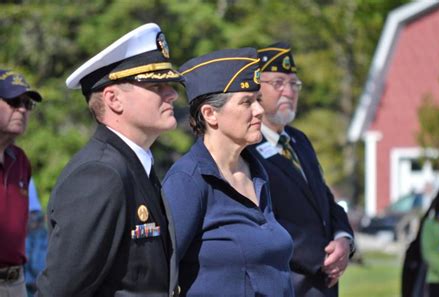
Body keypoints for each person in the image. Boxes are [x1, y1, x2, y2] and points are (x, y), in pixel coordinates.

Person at [36, 23, 183, 297]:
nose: (172, 93)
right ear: (113, 99)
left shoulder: (134, 165)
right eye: (155, 85)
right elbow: (61, 289)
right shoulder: (101, 173)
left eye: (169, 84)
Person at [162, 48, 295, 296]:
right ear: (210, 114)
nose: (259, 110)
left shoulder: (257, 171)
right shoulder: (188, 180)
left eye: (258, 100)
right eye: (246, 102)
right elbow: (160, 272)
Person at [248, 42, 354, 297]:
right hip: (286, 284)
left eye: (294, 84)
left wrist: (344, 240)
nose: (289, 92)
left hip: (323, 285)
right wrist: (323, 258)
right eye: (278, 83)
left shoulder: (299, 140)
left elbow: (325, 200)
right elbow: (262, 218)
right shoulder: (246, 147)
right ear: (255, 89)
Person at [0, 69, 42, 297]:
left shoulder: (21, 161)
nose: (23, 110)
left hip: (17, 282)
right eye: (13, 101)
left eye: (28, 104)